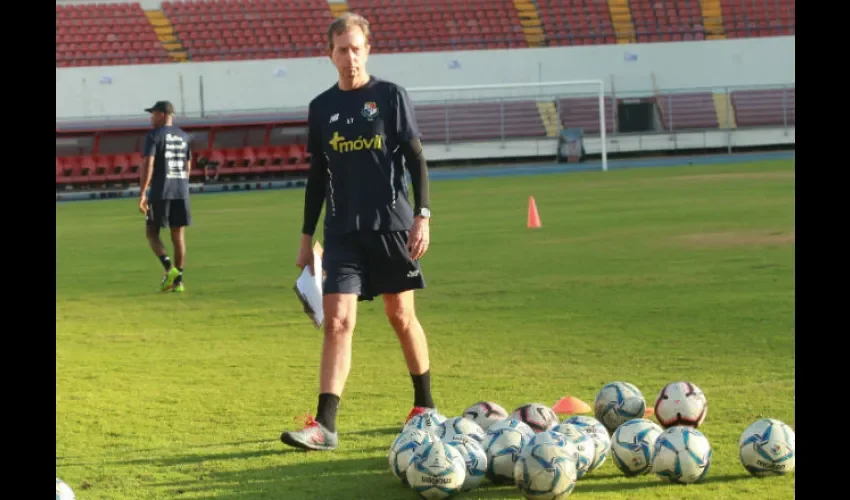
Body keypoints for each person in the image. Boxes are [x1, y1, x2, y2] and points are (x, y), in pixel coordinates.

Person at [280, 12, 435, 451]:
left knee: (401, 317)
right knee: (338, 324)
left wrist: (422, 215)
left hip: (392, 227)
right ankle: (324, 426)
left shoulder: (390, 97)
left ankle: (424, 406)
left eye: (356, 48)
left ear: (368, 49)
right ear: (329, 54)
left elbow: (416, 159)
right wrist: (307, 237)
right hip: (343, 231)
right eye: (341, 49)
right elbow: (316, 177)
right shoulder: (321, 108)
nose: (350, 56)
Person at [138, 100, 193, 293]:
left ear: (162, 114)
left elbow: (148, 164)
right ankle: (178, 282)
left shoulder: (154, 135)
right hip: (181, 190)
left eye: (153, 114)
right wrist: (182, 185)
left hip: (161, 190)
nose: (151, 118)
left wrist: (143, 192)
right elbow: (188, 165)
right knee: (178, 236)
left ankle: (169, 268)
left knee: (152, 232)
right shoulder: (184, 136)